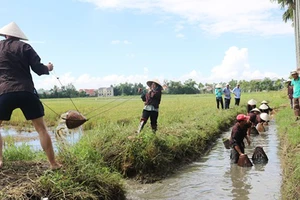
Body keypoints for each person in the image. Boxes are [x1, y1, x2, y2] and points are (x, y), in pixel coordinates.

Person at [0, 22, 61, 170]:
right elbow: (38, 69)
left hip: (4, 92)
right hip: (26, 91)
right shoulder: (24, 47)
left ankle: (0, 161)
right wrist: (49, 68)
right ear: (18, 36)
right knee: (41, 129)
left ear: (6, 35)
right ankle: (53, 164)